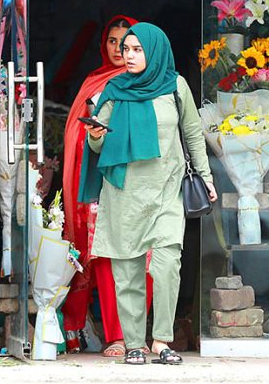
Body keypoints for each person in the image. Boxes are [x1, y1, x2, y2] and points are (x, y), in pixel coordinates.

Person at [79, 22, 217, 365]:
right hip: (125, 192)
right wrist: (95, 133)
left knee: (168, 264)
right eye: (126, 49)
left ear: (154, 50)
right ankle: (134, 343)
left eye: (137, 50)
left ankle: (162, 340)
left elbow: (194, 135)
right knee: (127, 272)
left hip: (167, 189)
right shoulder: (114, 88)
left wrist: (206, 176)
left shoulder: (176, 87)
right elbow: (97, 141)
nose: (128, 55)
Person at [62, 15, 154, 357]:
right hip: (102, 185)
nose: (119, 49)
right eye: (113, 42)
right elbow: (75, 135)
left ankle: (137, 335)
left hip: (141, 181)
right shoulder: (94, 81)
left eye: (128, 43)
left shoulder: (150, 81)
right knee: (104, 259)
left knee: (143, 260)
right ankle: (115, 337)